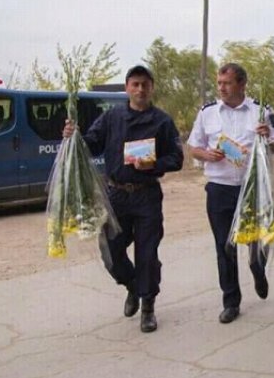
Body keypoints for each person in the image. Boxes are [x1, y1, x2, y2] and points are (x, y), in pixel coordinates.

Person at [62, 65, 184, 333]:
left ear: (151, 88)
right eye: (135, 84)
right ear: (127, 87)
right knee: (111, 251)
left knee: (147, 253)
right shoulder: (111, 117)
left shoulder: (162, 121)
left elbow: (176, 159)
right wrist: (74, 137)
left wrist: (151, 164)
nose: (140, 89)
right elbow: (90, 144)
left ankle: (148, 307)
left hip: (146, 195)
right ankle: (131, 285)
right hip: (115, 195)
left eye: (145, 84)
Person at [187, 63, 274, 324]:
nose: (221, 87)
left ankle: (257, 267)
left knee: (258, 238)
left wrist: (267, 138)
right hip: (219, 188)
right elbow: (194, 147)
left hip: (253, 187)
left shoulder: (261, 110)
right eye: (219, 83)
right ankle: (231, 301)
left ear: (242, 84)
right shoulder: (207, 113)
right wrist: (207, 154)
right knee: (224, 246)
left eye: (226, 83)